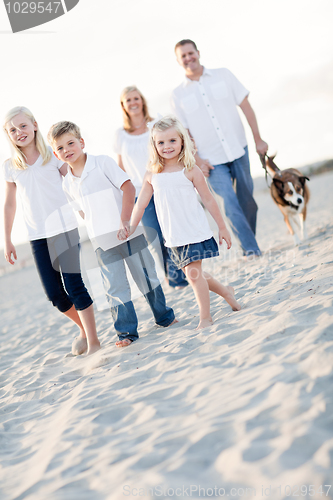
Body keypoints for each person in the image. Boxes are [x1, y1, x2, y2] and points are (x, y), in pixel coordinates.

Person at [48, 121, 177, 347]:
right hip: (102, 242)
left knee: (146, 277)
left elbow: (128, 188)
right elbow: (81, 212)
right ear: (56, 153)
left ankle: (164, 317)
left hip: (129, 232)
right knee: (115, 287)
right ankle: (126, 333)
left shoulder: (102, 163)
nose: (66, 149)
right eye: (60, 148)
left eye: (70, 143)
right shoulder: (67, 183)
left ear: (81, 142)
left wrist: (125, 220)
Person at [119, 116, 241, 330]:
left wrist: (222, 227)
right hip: (173, 236)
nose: (167, 146)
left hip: (194, 231)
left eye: (172, 141)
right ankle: (226, 292)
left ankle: (205, 317)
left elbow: (209, 199)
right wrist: (131, 225)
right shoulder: (152, 174)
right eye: (161, 142)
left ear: (182, 141)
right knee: (195, 274)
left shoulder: (190, 170)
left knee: (194, 276)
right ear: (154, 145)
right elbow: (141, 204)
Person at [2, 106, 100, 356]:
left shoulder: (54, 156)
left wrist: (85, 211)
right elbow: (10, 203)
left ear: (34, 125)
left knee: (74, 286)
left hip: (65, 228)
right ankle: (84, 329)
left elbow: (74, 182)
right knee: (55, 294)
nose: (19, 132)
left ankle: (94, 342)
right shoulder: (11, 166)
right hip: (37, 236)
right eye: (12, 130)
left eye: (23, 125)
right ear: (8, 135)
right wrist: (8, 239)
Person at [171, 39, 269, 257]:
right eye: (183, 56)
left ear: (198, 52)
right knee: (230, 204)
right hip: (211, 161)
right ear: (178, 61)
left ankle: (247, 239)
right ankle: (251, 250)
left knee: (248, 202)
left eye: (190, 53)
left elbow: (246, 106)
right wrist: (197, 160)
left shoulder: (223, 75)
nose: (188, 58)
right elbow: (183, 133)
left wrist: (258, 140)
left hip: (238, 149)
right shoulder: (177, 95)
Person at [113, 85, 188, 288]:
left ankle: (184, 271)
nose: (133, 102)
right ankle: (174, 278)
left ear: (142, 101)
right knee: (155, 239)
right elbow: (120, 167)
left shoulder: (156, 125)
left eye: (136, 98)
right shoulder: (120, 134)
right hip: (139, 194)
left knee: (173, 231)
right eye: (128, 100)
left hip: (163, 186)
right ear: (123, 105)